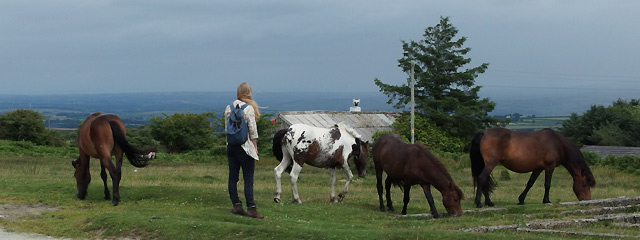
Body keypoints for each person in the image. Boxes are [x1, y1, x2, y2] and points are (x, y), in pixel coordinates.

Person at [223, 82, 264, 219]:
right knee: (248, 179)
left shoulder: (228, 107)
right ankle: (251, 209)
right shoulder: (248, 108)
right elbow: (253, 130)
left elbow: (226, 129)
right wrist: (255, 147)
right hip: (245, 147)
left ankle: (236, 205)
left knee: (233, 178)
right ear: (248, 92)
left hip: (231, 146)